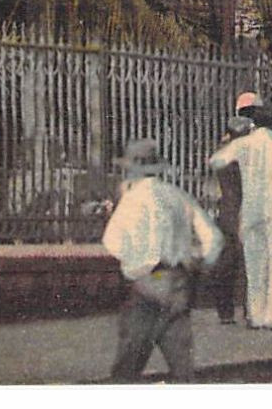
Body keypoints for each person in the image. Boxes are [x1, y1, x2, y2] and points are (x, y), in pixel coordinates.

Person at [102, 138, 223, 381]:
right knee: (181, 365)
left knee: (128, 365)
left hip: (147, 283)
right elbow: (214, 238)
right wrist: (198, 261)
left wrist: (135, 265)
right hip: (179, 281)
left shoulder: (133, 199)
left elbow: (112, 241)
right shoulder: (178, 196)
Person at [208, 104, 272, 329]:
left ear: (254, 124)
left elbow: (216, 161)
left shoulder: (243, 144)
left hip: (250, 210)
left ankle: (256, 313)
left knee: (254, 264)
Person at [209, 115, 254, 324]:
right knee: (248, 265)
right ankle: (249, 310)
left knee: (226, 264)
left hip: (226, 213)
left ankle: (225, 312)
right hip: (244, 213)